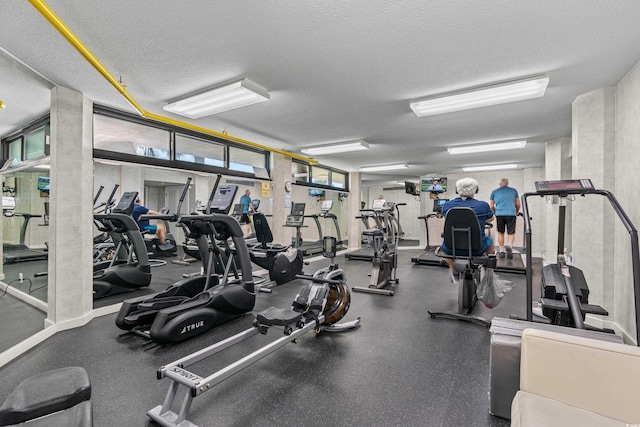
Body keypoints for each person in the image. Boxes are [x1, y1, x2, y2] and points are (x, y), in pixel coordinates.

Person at [441, 177, 494, 283]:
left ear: (457, 190)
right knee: (490, 239)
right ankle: (487, 268)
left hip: (451, 248)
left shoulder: (447, 205)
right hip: (477, 248)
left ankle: (453, 269)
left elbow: (447, 217)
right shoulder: (483, 205)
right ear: (476, 190)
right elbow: (491, 218)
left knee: (444, 246)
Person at [489, 178, 521, 259]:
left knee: (500, 232)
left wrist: (495, 211)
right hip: (511, 214)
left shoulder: (494, 192)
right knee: (511, 232)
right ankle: (509, 245)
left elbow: (492, 206)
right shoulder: (514, 191)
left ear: (500, 184)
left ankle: (502, 250)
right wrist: (516, 211)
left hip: (499, 214)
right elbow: (518, 204)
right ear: (507, 183)